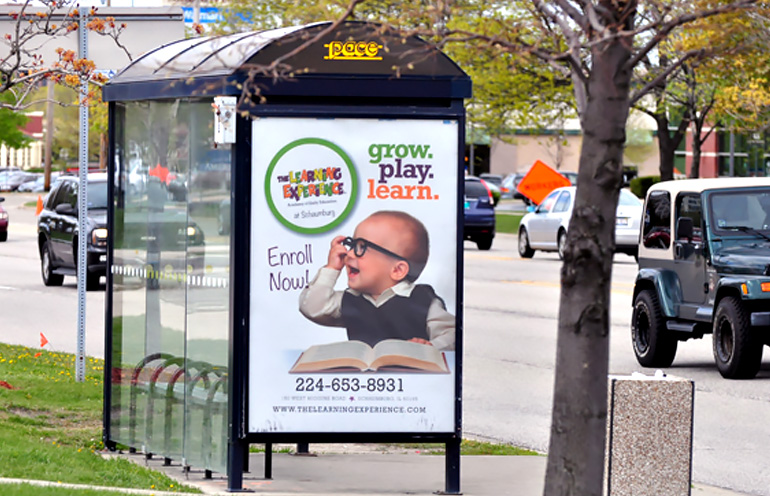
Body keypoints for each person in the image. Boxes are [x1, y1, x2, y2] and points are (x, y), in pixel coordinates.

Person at [299, 210, 455, 351]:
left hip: (411, 379)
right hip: (365, 378)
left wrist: (431, 347)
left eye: (362, 247)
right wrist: (331, 269)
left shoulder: (423, 301)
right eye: (351, 245)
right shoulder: (350, 299)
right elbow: (313, 308)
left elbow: (452, 334)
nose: (349, 254)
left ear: (397, 270)